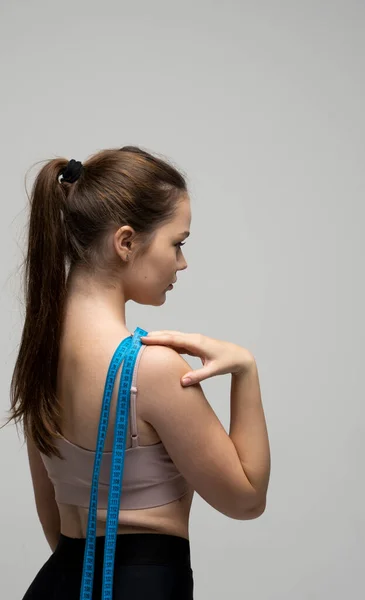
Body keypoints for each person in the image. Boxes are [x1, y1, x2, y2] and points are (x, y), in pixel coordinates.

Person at [4, 146, 271, 599]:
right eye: (177, 242)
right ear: (125, 242)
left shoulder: (37, 358)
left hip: (60, 582)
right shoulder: (152, 367)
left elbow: (53, 518)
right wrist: (246, 371)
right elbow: (245, 500)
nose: (181, 263)